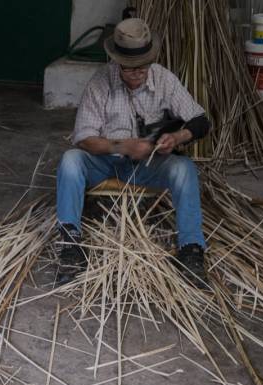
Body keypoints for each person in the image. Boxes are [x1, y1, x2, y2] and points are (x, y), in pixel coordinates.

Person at [56, 18, 211, 285]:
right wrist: (122, 145)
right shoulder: (100, 82)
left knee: (184, 169)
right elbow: (83, 138)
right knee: (70, 161)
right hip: (105, 162)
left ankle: (191, 249)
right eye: (129, 69)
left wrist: (176, 137)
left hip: (149, 165)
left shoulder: (163, 78)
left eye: (142, 67)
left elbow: (200, 121)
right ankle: (70, 244)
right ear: (117, 62)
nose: (137, 73)